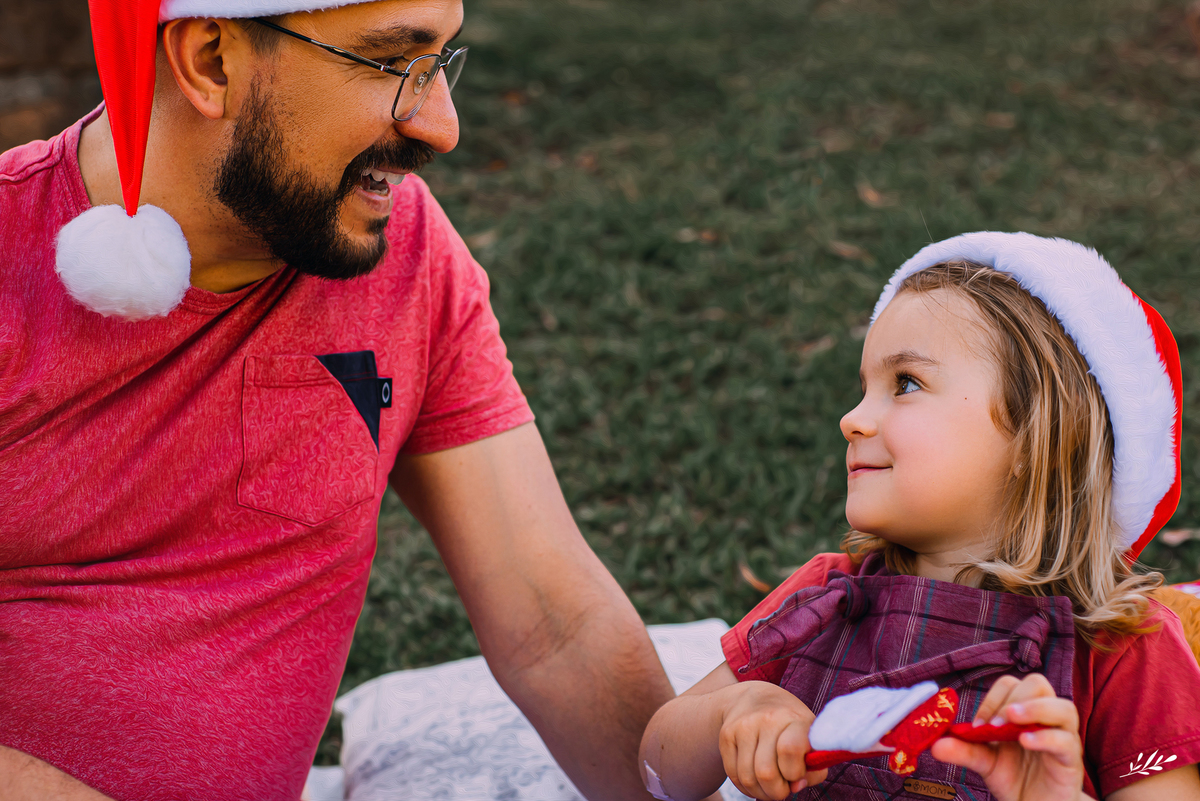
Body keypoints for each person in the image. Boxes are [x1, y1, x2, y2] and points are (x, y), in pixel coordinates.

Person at [0, 0, 680, 799]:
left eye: (440, 64)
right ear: (211, 61)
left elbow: (553, 626)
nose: (442, 126)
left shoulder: (406, 253)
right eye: (393, 63)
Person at [638, 232, 1200, 801]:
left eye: (905, 383)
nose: (851, 419)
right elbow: (657, 774)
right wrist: (731, 712)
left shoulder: (1127, 649)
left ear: (1039, 435)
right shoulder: (824, 596)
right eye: (863, 388)